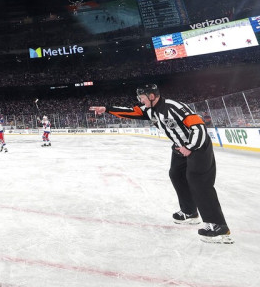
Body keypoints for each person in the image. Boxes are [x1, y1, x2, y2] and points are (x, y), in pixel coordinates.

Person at [89, 84, 232, 244]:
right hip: (179, 147)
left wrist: (190, 147)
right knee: (176, 174)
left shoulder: (174, 107)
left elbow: (198, 126)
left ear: (152, 96)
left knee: (198, 181)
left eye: (142, 98)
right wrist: (107, 109)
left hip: (197, 146)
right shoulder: (149, 110)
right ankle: (189, 212)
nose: (140, 101)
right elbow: (130, 112)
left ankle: (218, 225)